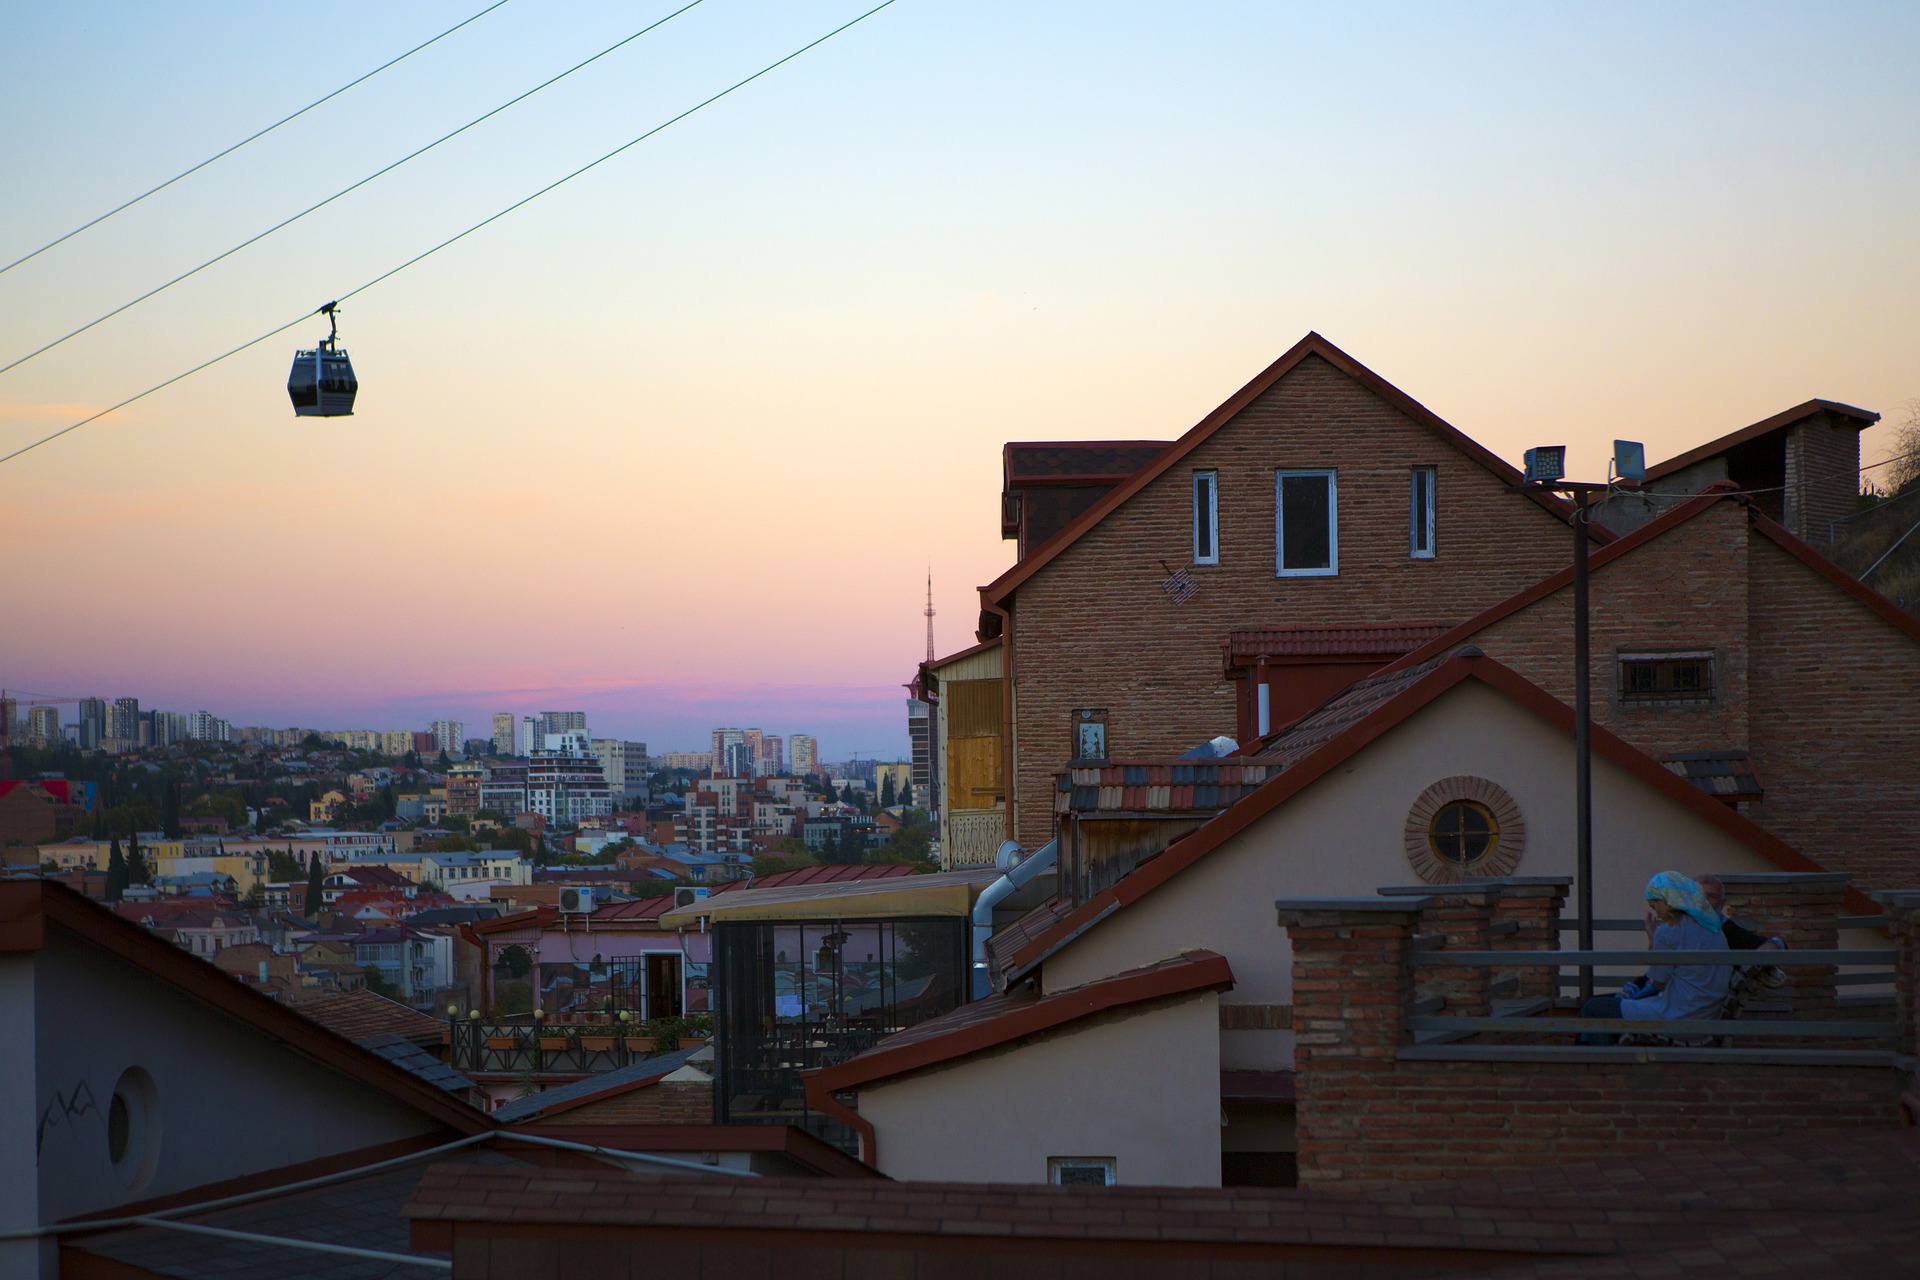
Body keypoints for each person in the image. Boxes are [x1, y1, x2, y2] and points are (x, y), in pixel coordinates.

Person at [1578, 873, 1733, 1045]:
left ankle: (1603, 1065)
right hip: (1703, 1015)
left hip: (1677, 1016)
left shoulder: (1669, 930)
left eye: (1655, 905)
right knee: (1609, 1008)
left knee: (1592, 1008)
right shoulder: (1714, 929)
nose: (1656, 912)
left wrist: (1628, 999)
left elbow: (1657, 983)